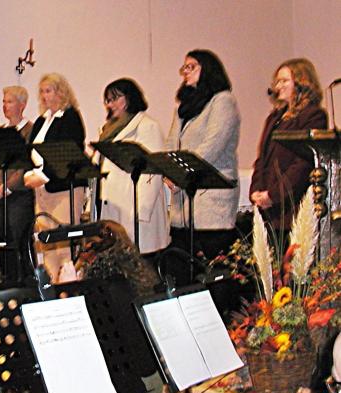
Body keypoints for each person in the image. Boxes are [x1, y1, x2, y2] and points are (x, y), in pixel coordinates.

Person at [0, 221, 163, 393]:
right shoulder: (135, 283)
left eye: (84, 251)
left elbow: (70, 352)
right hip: (138, 389)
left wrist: (64, 297)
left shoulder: (101, 294)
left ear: (92, 257)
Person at [165, 49, 240, 284]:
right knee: (181, 268)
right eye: (184, 68)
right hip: (183, 201)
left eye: (191, 67)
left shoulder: (223, 101)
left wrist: (179, 174)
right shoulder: (184, 108)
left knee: (212, 272)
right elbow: (171, 142)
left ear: (207, 69)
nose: (185, 72)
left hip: (211, 199)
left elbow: (212, 146)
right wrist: (168, 170)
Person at [250, 58, 328, 237]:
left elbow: (303, 163)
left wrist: (274, 195)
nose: (279, 86)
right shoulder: (275, 118)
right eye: (277, 81)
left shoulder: (313, 115)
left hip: (291, 206)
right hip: (269, 209)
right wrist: (256, 190)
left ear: (302, 83)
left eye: (284, 80)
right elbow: (262, 158)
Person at [95, 78, 169, 257]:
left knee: (140, 262)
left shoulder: (146, 126)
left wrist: (141, 210)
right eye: (108, 100)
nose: (110, 104)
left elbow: (153, 171)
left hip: (133, 206)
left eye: (115, 98)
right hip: (112, 204)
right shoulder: (108, 130)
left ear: (129, 98)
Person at [24, 73, 86, 283]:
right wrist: (29, 173)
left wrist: (42, 175)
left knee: (63, 244)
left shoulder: (70, 117)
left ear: (61, 92)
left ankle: (67, 285)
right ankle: (50, 283)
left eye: (48, 90)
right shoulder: (42, 120)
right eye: (41, 91)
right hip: (42, 188)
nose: (44, 96)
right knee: (46, 242)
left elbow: (68, 154)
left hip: (63, 188)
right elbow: (30, 151)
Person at [0, 86, 35, 282]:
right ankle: (6, 279)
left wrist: (7, 186)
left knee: (19, 239)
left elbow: (25, 165)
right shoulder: (0, 132)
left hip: (19, 194)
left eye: (10, 101)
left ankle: (24, 281)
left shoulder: (30, 130)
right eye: (4, 101)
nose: (5, 106)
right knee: (1, 238)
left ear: (22, 105)